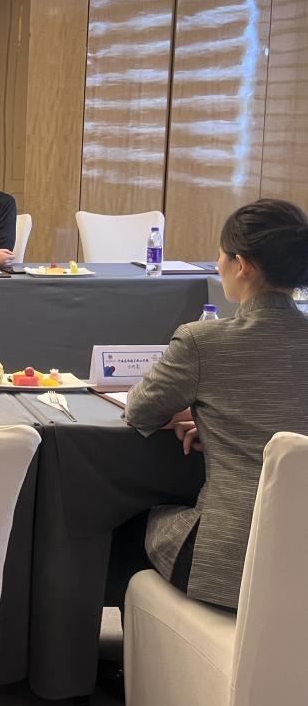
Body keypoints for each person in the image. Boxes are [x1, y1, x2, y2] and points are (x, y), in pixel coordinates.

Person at [124, 198, 308, 611]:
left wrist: (200, 412)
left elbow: (139, 410)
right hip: (301, 566)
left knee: (124, 519)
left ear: (242, 265)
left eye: (221, 255)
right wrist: (217, 419)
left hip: (230, 562)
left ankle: (124, 650)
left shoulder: (204, 341)